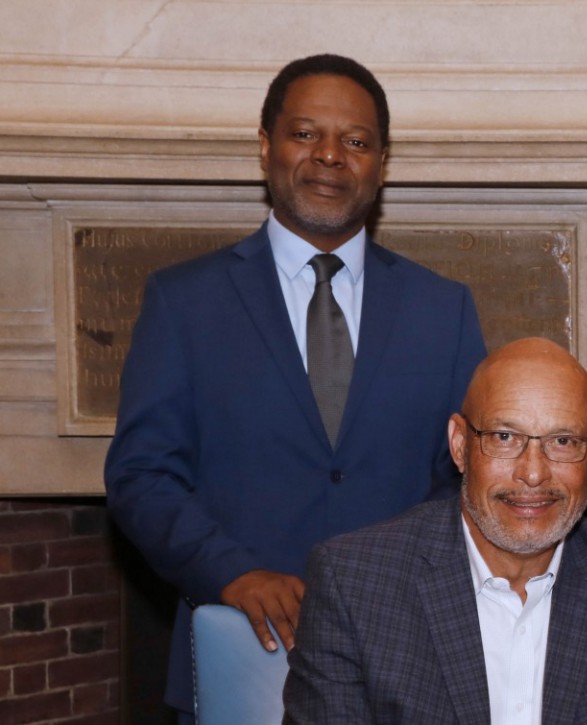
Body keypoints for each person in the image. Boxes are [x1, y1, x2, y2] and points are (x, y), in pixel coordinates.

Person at [103, 54, 488, 719]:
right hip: (241, 656)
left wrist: (390, 582)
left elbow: (470, 475)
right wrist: (231, 572)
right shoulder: (184, 301)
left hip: (407, 656)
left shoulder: (443, 308)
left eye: (356, 141)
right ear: (265, 146)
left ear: (381, 162)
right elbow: (141, 475)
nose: (330, 155)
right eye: (306, 133)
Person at [284, 338, 587, 723]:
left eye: (563, 441)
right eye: (505, 437)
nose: (533, 473)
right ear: (459, 445)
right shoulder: (356, 582)